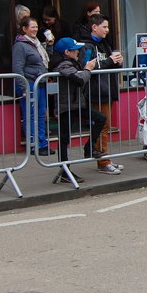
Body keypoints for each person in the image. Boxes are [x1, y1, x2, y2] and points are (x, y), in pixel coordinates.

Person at [49, 36, 107, 183]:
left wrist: (85, 67)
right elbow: (78, 79)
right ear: (67, 52)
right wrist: (88, 69)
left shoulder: (72, 62)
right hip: (66, 106)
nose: (78, 52)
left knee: (100, 118)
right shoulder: (63, 65)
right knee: (64, 139)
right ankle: (64, 172)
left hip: (76, 104)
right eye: (75, 50)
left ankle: (89, 149)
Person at [81, 14, 124, 175]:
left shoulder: (104, 44)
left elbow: (109, 65)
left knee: (105, 126)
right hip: (97, 91)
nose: (107, 30)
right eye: (104, 27)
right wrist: (110, 61)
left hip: (107, 89)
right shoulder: (87, 46)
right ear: (94, 27)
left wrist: (119, 63)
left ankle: (105, 159)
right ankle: (103, 161)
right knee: (102, 126)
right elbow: (87, 67)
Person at [11, 15, 52, 156]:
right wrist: (24, 88)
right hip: (29, 83)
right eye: (32, 27)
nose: (35, 29)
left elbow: (44, 61)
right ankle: (34, 145)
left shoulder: (37, 44)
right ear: (24, 29)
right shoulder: (20, 45)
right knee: (30, 115)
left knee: (40, 114)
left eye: (36, 26)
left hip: (39, 82)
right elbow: (17, 68)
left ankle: (42, 143)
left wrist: (50, 45)